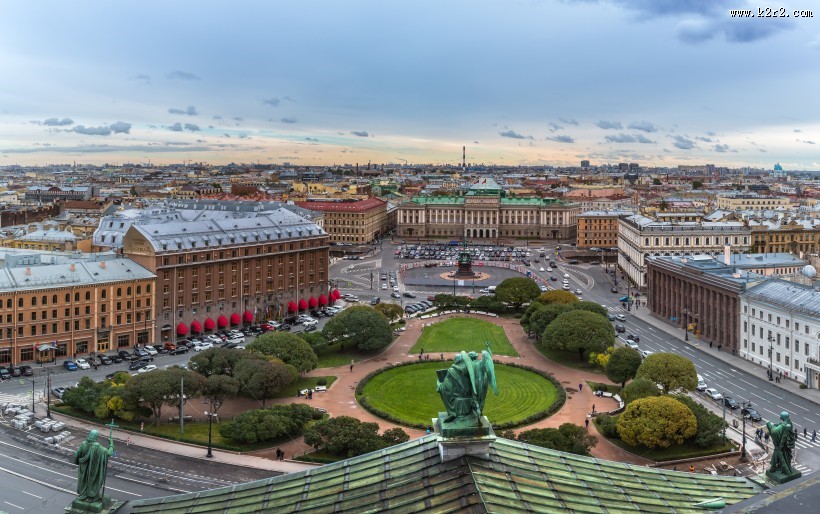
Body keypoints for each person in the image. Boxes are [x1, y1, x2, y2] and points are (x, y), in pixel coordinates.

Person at [73, 429, 115, 502]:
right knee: (93, 481)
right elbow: (109, 453)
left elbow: (77, 455)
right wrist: (111, 444)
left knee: (83, 481)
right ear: (96, 437)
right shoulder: (98, 447)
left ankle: (83, 495)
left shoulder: (83, 444)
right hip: (93, 470)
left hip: (83, 469)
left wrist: (78, 461)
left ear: (89, 435)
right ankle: (91, 496)